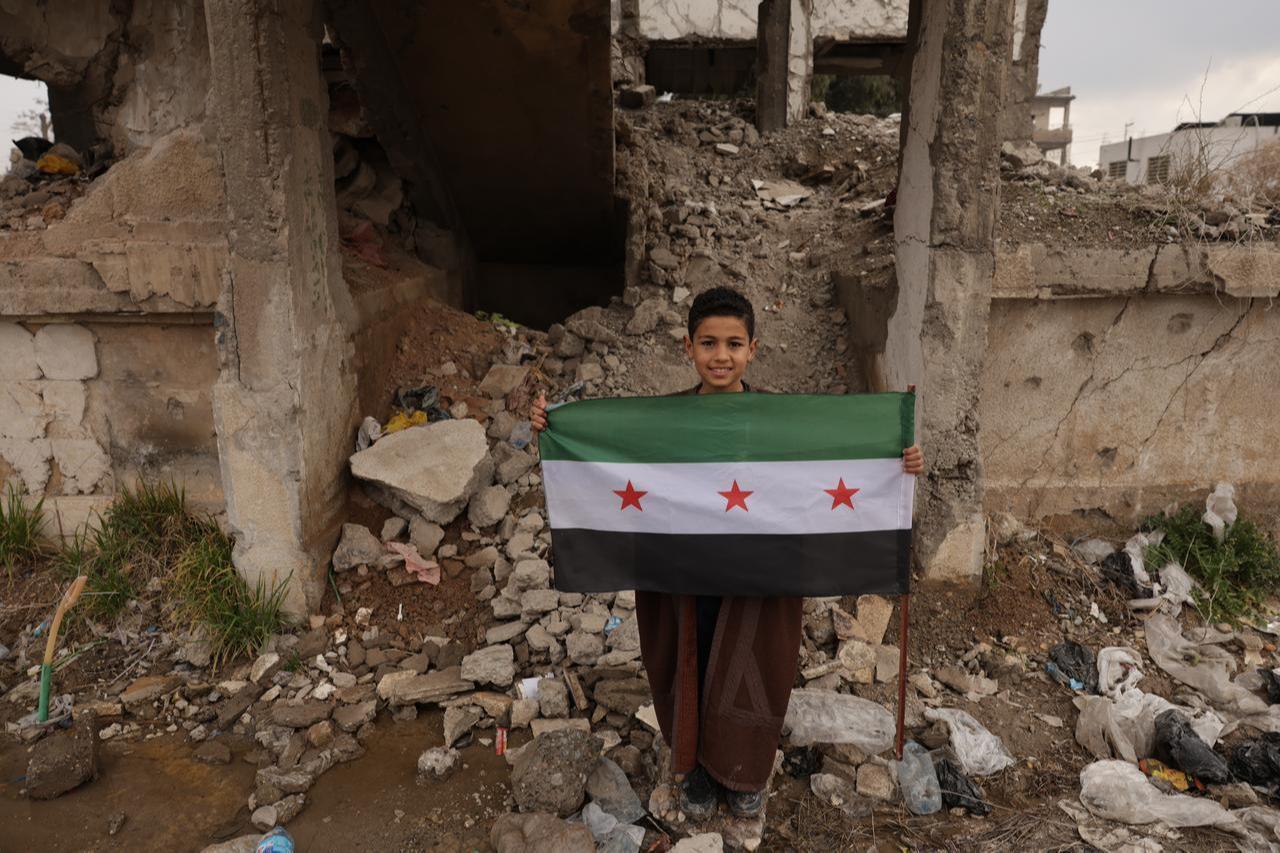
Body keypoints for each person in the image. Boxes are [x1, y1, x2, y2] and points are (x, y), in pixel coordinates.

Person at [531, 286, 924, 819]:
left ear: (753, 349)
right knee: (685, 658)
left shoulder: (779, 425)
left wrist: (894, 459)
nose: (721, 356)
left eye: (734, 343)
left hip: (759, 571)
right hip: (684, 572)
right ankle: (692, 767)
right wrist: (553, 427)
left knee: (755, 663)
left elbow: (829, 460)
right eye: (708, 343)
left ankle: (744, 774)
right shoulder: (663, 423)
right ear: (688, 348)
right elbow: (610, 451)